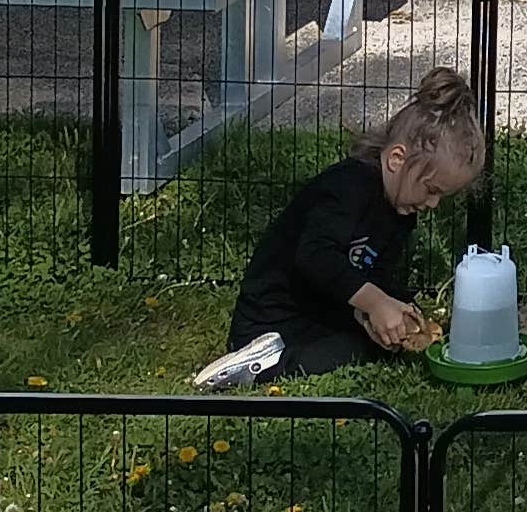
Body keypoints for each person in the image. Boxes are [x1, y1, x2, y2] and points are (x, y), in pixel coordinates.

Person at [194, 67, 481, 388]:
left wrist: (389, 312)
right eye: (432, 190)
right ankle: (257, 365)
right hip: (271, 321)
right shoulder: (348, 187)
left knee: (372, 347)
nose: (433, 204)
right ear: (397, 159)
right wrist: (375, 304)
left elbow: (375, 275)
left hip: (320, 314)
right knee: (339, 354)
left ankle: (280, 357)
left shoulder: (401, 210)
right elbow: (315, 257)